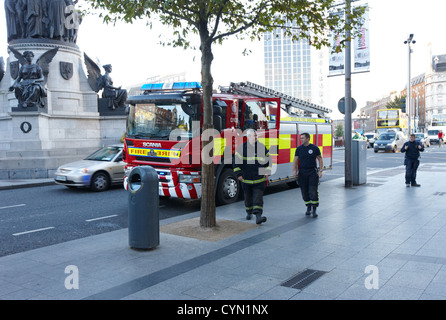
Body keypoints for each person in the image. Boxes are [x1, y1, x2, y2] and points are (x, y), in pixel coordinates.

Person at [233, 129, 271, 224]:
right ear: (248, 137)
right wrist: (239, 174)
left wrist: (266, 172)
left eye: (256, 136)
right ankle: (248, 212)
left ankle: (258, 216)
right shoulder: (242, 148)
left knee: (258, 197)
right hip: (246, 180)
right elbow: (236, 163)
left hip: (259, 179)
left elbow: (268, 161)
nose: (255, 138)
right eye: (252, 136)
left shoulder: (262, 147)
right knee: (248, 198)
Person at [293, 133, 323, 218]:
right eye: (300, 138)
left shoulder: (314, 148)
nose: (301, 140)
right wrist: (294, 170)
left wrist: (320, 170)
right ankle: (308, 206)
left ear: (308, 139)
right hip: (302, 173)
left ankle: (314, 209)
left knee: (313, 191)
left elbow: (320, 159)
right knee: (304, 191)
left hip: (312, 172)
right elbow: (295, 160)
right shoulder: (299, 149)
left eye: (303, 138)